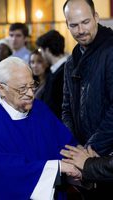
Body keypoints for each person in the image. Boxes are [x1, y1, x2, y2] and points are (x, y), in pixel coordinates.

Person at [0, 57, 78, 200]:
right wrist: (58, 167)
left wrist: (83, 162)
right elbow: (7, 173)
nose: (30, 94)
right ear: (1, 88)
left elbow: (66, 144)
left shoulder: (40, 109)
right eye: (22, 88)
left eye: (32, 85)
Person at [62, 0, 113, 198]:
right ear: (67, 25)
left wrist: (90, 151)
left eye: (85, 22)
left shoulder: (110, 50)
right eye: (74, 25)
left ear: (96, 18)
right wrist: (74, 149)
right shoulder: (70, 61)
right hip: (83, 161)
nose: (81, 30)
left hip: (104, 158)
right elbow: (67, 108)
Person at [36, 30, 67, 119]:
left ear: (47, 49)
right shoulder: (53, 71)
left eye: (40, 50)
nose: (41, 54)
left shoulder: (65, 71)